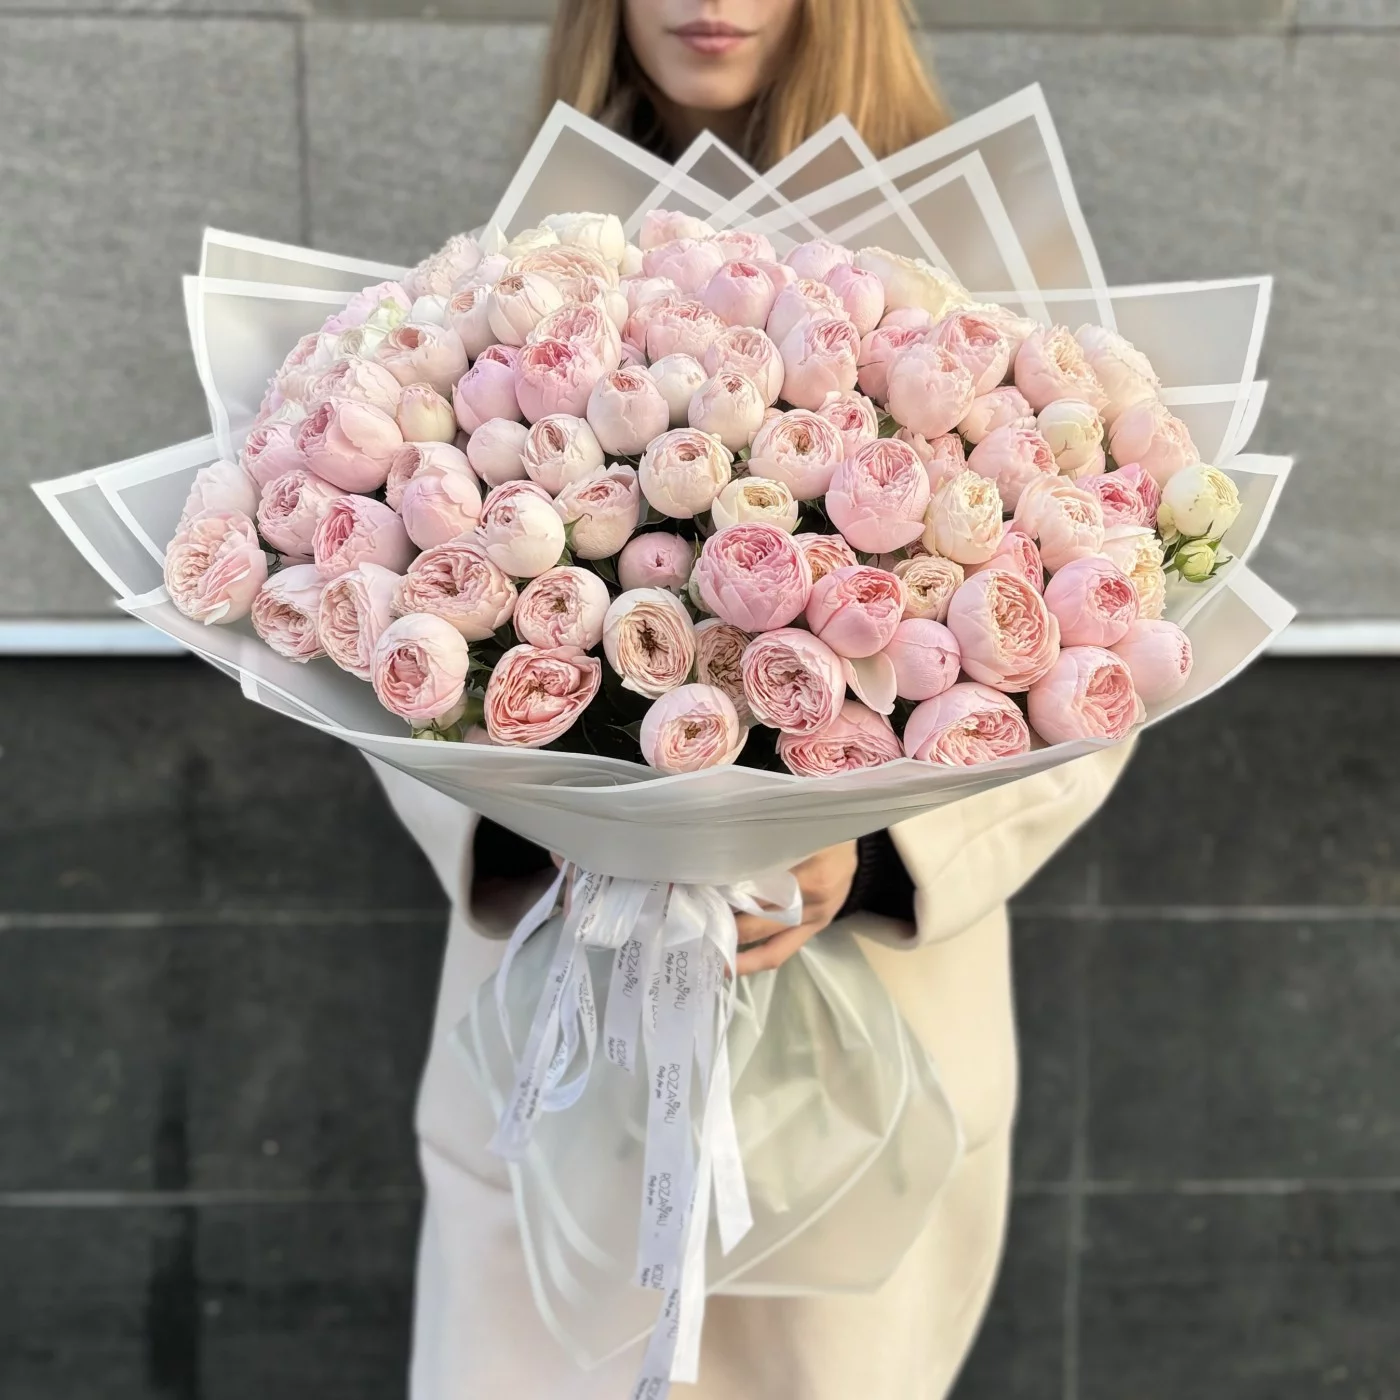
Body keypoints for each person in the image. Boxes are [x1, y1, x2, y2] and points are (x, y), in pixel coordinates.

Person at [373, 3, 1134, 1396]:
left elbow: (1104, 658)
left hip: (865, 1057)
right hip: (565, 1030)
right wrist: (543, 823)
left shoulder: (973, 284)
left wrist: (877, 853)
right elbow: (378, 634)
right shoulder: (517, 283)